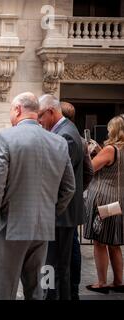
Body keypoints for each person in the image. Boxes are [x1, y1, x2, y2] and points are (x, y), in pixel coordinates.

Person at [0, 92, 75, 300]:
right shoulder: (58, 142)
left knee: (1, 292)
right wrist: (49, 212)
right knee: (36, 291)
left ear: (17, 109)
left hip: (7, 227)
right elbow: (69, 188)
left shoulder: (5, 137)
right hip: (42, 227)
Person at [38, 94, 85, 300]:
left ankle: (52, 297)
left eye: (40, 116)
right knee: (57, 265)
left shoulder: (64, 136)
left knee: (55, 265)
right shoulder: (65, 132)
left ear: (50, 112)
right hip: (63, 211)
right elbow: (87, 173)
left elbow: (56, 179)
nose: (38, 121)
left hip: (60, 212)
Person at [83, 115, 124, 294]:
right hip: (119, 199)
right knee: (114, 243)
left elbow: (91, 168)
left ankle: (101, 283)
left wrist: (88, 153)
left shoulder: (110, 149)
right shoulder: (114, 150)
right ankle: (119, 282)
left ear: (114, 130)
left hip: (104, 199)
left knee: (100, 242)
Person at [60, 101, 94, 300]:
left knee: (68, 249)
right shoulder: (80, 139)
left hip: (65, 203)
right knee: (72, 245)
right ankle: (73, 287)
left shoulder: (66, 138)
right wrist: (80, 189)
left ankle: (70, 289)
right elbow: (89, 171)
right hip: (74, 201)